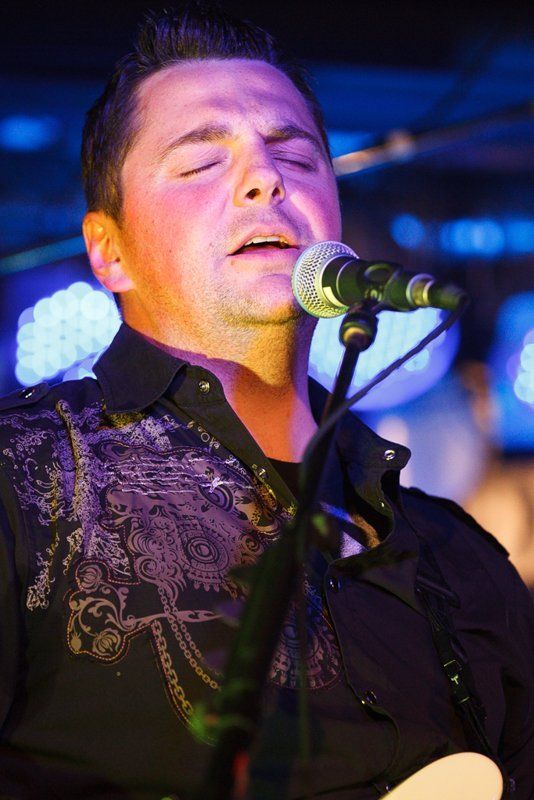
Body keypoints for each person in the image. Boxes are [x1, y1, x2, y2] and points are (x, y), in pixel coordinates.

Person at [0, 4, 532, 799]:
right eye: (200, 163)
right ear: (109, 252)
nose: (266, 178)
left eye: (297, 156)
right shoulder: (23, 479)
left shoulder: (459, 556)